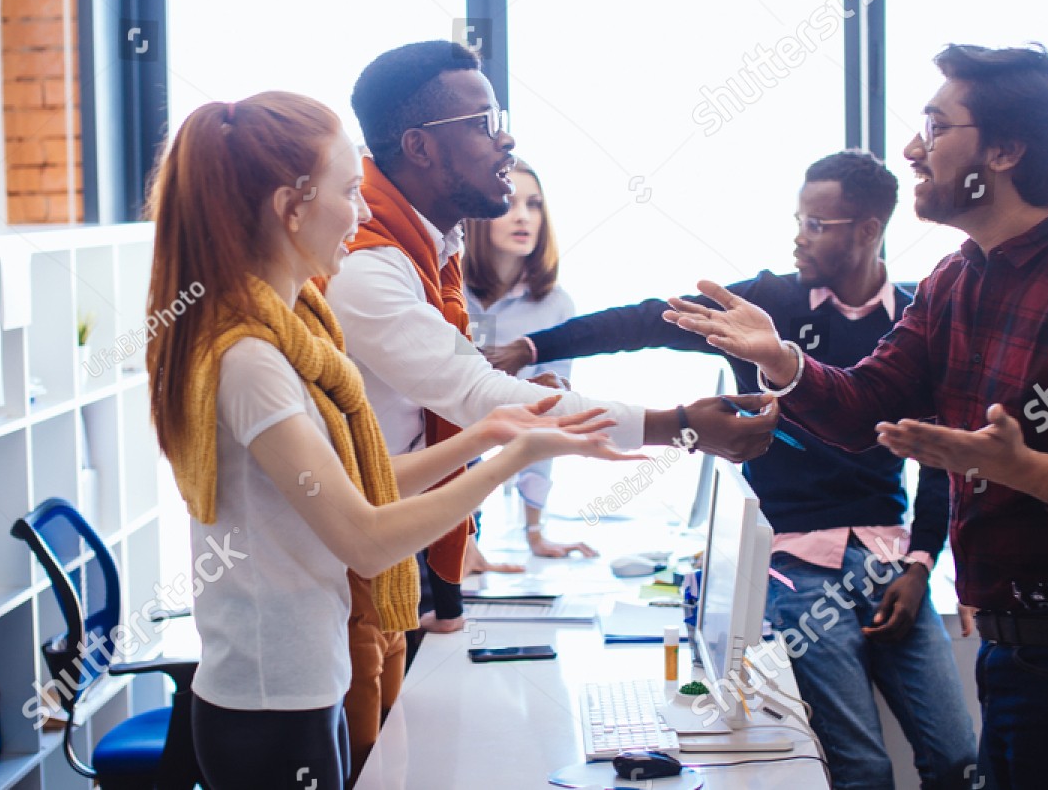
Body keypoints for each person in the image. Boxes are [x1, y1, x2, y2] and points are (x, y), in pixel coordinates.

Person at [664, 44, 1048, 790]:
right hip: (1016, 652)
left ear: (1005, 150)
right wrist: (785, 362)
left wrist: (1031, 471)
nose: (912, 148)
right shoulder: (960, 276)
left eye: (934, 123)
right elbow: (867, 405)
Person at [143, 94, 641, 790]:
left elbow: (353, 485)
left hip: (295, 689)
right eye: (350, 191)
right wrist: (509, 458)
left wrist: (491, 431)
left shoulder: (290, 336)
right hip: (270, 705)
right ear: (292, 207)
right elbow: (366, 536)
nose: (364, 211)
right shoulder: (251, 359)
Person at [325, 39, 778, 779]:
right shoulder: (371, 265)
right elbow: (482, 396)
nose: (505, 137)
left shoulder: (420, 252)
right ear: (420, 147)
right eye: (483, 120)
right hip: (356, 574)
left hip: (396, 560)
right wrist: (678, 425)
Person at [487, 150, 977, 789]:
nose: (799, 236)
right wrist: (532, 346)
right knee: (862, 768)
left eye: (817, 225)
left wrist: (921, 564)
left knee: (959, 760)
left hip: (890, 562)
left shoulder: (913, 319)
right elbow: (644, 322)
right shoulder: (766, 305)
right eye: (799, 219)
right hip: (795, 564)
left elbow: (939, 457)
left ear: (868, 230)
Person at [464, 158, 595, 558]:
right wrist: (463, 540)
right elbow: (445, 415)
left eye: (534, 205)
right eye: (510, 202)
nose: (523, 217)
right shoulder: (449, 293)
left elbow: (547, 418)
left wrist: (534, 534)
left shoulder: (556, 306)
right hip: (442, 487)